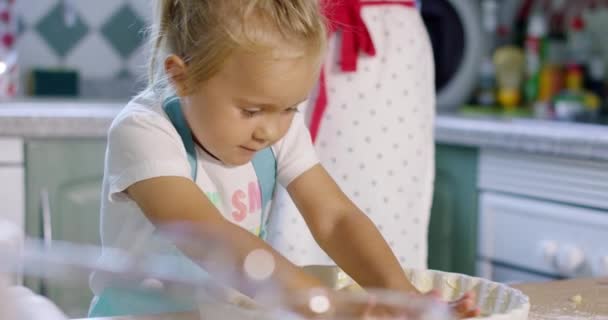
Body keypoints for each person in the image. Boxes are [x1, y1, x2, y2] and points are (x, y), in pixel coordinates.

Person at [88, 0, 479, 318]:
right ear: (181, 77)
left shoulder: (277, 129)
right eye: (252, 110)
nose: (271, 130)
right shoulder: (145, 132)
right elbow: (208, 237)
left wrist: (403, 299)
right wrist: (327, 305)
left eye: (291, 108)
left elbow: (334, 218)